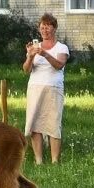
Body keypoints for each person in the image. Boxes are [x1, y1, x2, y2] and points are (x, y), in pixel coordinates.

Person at [22, 13, 70, 165]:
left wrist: (45, 54)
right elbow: (26, 70)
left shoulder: (62, 47)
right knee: (35, 123)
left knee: (53, 123)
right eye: (42, 28)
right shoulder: (35, 48)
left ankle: (55, 161)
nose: (45, 30)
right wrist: (30, 56)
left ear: (54, 28)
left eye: (48, 27)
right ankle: (38, 160)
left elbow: (59, 65)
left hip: (53, 89)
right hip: (35, 89)